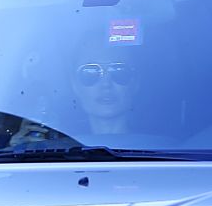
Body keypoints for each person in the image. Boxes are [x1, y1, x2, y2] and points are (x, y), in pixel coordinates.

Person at [9, 38, 139, 146]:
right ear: (75, 84)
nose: (106, 84)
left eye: (119, 71)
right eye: (90, 72)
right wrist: (19, 151)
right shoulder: (54, 150)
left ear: (135, 83)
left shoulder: (151, 152)